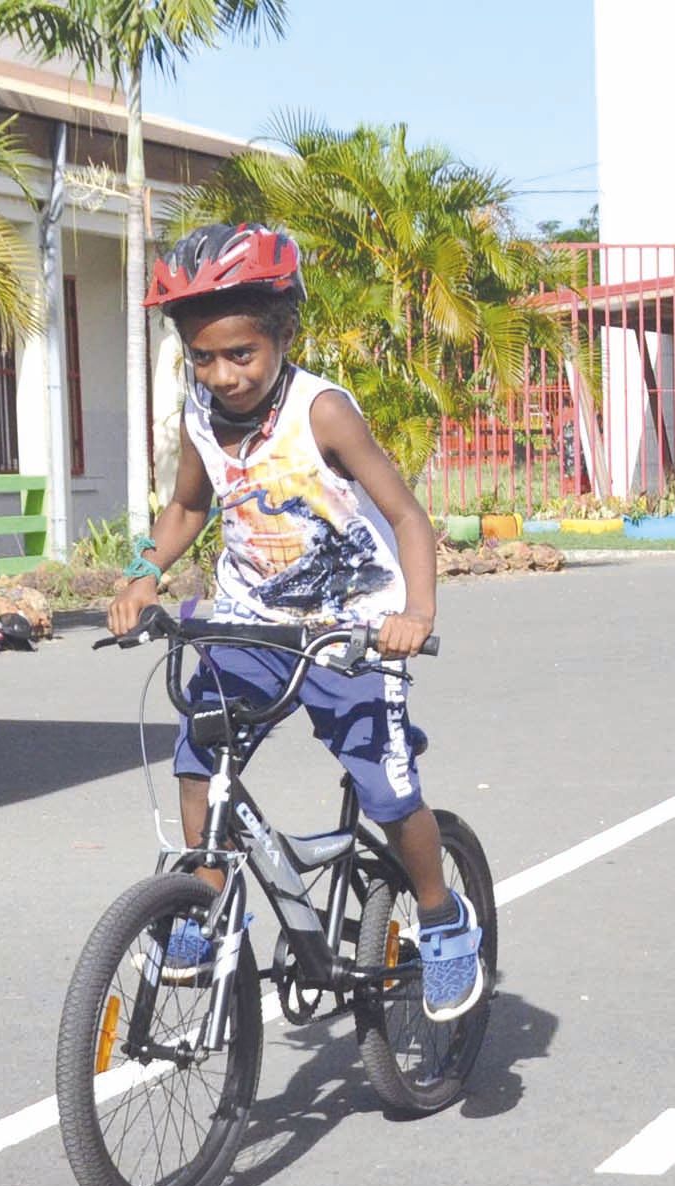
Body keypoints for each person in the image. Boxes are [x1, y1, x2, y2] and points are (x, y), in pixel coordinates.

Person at [106, 222, 482, 1022]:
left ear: (282, 334)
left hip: (353, 630)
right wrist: (143, 574)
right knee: (199, 755)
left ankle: (442, 916)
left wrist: (415, 614)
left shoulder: (323, 413)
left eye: (241, 353)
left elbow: (407, 518)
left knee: (386, 792)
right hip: (252, 622)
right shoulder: (202, 416)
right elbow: (188, 508)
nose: (223, 375)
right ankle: (208, 906)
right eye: (203, 358)